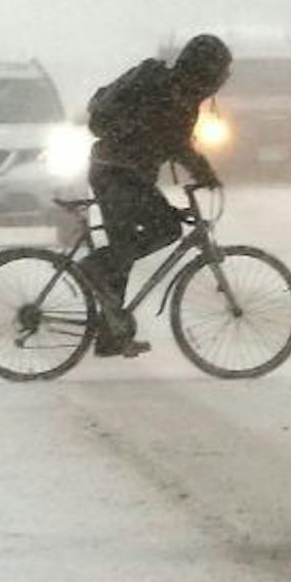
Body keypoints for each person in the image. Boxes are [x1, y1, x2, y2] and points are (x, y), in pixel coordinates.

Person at [79, 34, 231, 357]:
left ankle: (110, 334)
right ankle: (93, 267)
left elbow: (169, 142)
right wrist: (206, 175)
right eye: (220, 73)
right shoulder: (174, 96)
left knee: (123, 251)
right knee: (165, 229)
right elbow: (177, 144)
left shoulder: (171, 87)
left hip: (114, 169)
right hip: (118, 173)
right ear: (207, 71)